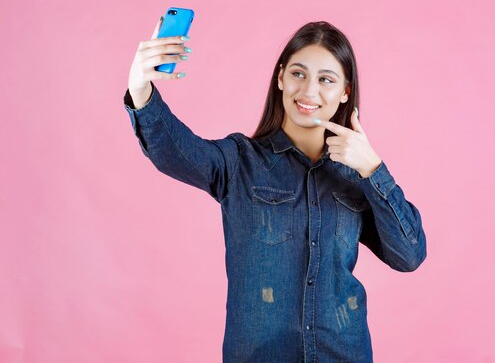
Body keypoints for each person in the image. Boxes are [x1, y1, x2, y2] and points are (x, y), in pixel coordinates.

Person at [123, 19, 427, 363]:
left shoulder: (357, 178)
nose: (309, 91)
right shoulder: (239, 161)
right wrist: (140, 88)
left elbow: (409, 254)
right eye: (299, 74)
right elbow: (173, 151)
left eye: (326, 79)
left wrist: (373, 169)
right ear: (281, 77)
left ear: (345, 91)